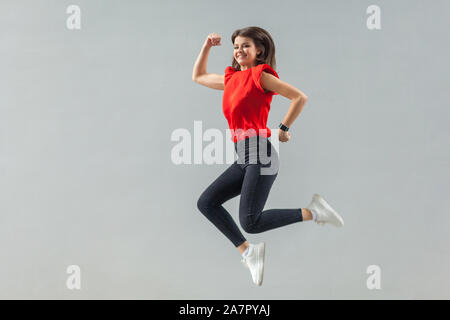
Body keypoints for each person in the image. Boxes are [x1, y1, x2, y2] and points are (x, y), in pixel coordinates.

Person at [192, 26, 344, 286]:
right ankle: (249, 252)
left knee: (250, 221)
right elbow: (199, 76)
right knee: (207, 202)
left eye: (246, 46)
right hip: (243, 156)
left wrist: (284, 128)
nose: (239, 50)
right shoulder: (230, 79)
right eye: (236, 46)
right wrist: (206, 46)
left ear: (258, 50)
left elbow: (299, 97)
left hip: (260, 153)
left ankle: (314, 211)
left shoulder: (259, 76)